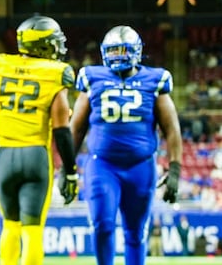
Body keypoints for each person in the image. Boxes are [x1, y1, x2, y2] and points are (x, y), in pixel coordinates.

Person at [0, 15, 77, 265]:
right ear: (44, 44)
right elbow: (61, 130)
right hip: (35, 154)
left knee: (10, 226)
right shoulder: (55, 73)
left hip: (5, 155)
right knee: (32, 230)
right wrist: (71, 171)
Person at [71, 25, 183, 265]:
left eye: (123, 49)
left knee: (135, 233)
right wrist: (67, 169)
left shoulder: (154, 80)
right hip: (103, 166)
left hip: (140, 167)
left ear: (137, 52)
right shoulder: (92, 77)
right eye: (112, 51)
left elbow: (171, 128)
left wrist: (174, 169)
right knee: (102, 225)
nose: (117, 55)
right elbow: (76, 128)